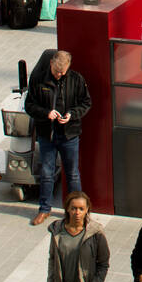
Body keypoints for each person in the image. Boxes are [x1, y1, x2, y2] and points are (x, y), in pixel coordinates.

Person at [24, 50, 90, 226]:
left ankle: (77, 211)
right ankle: (44, 209)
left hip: (70, 134)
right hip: (47, 134)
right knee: (46, 172)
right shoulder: (38, 79)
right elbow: (29, 105)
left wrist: (71, 114)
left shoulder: (76, 79)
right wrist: (46, 113)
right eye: (56, 72)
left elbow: (86, 103)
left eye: (63, 72)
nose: (59, 75)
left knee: (73, 174)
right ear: (51, 64)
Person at [45, 189, 109, 282]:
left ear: (87, 209)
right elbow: (52, 259)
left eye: (81, 208)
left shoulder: (96, 233)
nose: (77, 212)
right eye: (73, 208)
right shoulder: (57, 231)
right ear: (67, 208)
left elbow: (104, 263)